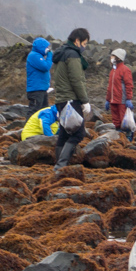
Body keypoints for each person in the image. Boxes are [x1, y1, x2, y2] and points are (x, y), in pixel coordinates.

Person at [50, 28, 93, 171]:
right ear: (77, 41)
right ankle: (61, 165)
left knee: (64, 132)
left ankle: (59, 165)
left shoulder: (61, 53)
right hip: (71, 100)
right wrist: (85, 100)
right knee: (78, 133)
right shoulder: (72, 54)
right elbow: (76, 80)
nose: (84, 47)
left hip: (61, 99)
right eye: (84, 43)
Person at [106, 48, 134, 133]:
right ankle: (118, 133)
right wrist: (107, 99)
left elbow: (129, 85)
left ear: (118, 57)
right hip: (113, 100)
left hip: (122, 100)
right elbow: (110, 87)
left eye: (113, 56)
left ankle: (128, 135)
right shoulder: (113, 71)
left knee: (123, 119)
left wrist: (128, 98)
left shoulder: (125, 70)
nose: (111, 57)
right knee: (116, 120)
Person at [24, 38, 52, 116]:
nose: (48, 49)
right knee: (34, 110)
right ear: (41, 47)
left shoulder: (39, 56)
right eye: (46, 47)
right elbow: (45, 67)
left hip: (42, 89)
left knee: (45, 111)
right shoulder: (34, 55)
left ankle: (41, 127)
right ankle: (28, 128)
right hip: (36, 90)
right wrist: (50, 55)